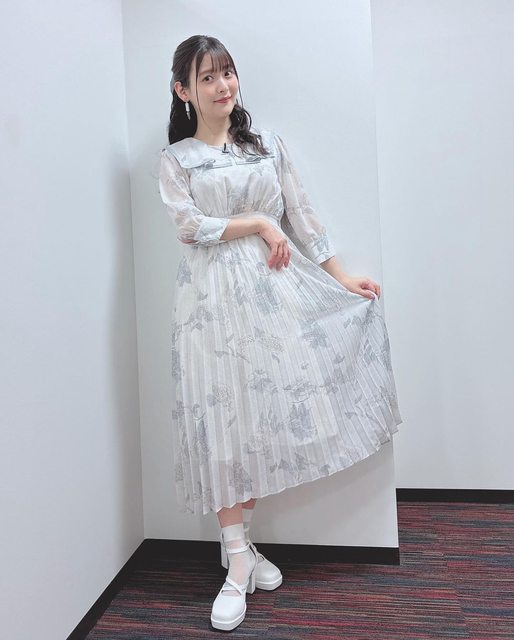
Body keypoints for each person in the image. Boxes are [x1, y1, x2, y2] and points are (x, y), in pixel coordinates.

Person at [158, 34, 403, 631]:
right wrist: (259, 224)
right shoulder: (177, 160)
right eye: (207, 77)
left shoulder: (266, 145)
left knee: (261, 420)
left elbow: (302, 213)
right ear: (183, 90)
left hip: (275, 298)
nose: (223, 86)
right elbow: (190, 227)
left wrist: (340, 277)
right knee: (223, 421)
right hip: (210, 302)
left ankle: (240, 547)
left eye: (228, 73)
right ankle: (237, 560)